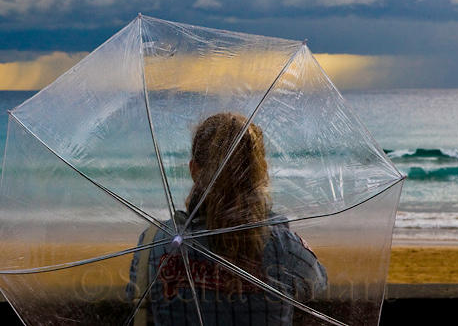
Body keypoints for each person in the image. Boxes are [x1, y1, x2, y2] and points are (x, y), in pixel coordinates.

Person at [127, 112, 327, 325]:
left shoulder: (154, 244)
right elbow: (317, 284)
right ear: (261, 172)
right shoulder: (285, 247)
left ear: (194, 170)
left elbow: (136, 297)